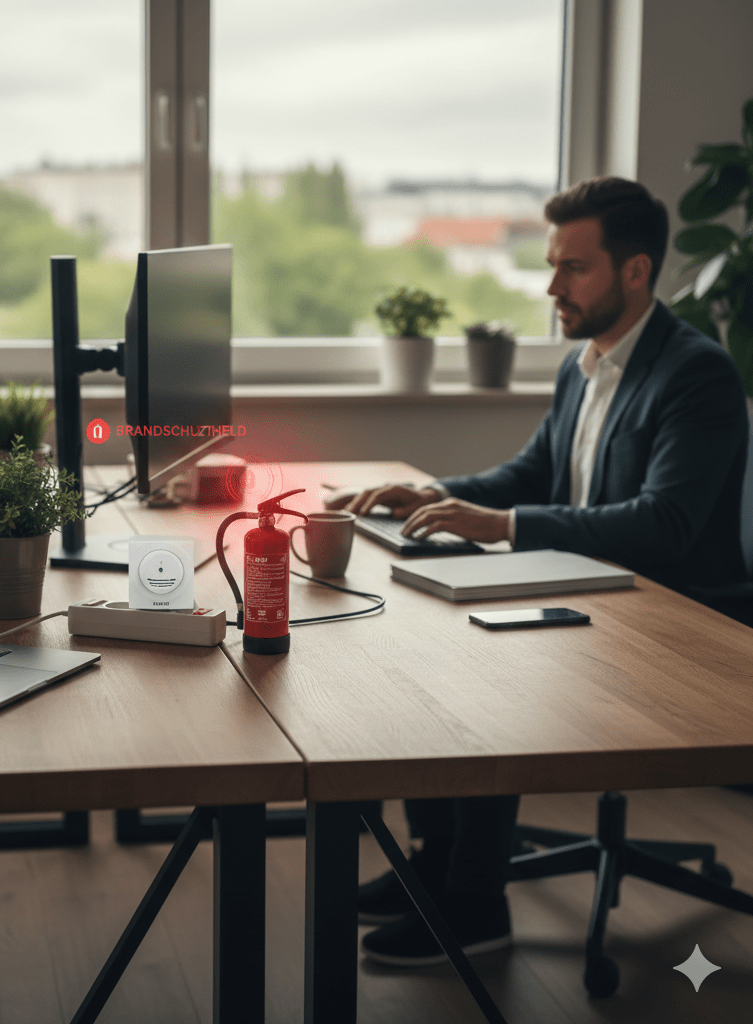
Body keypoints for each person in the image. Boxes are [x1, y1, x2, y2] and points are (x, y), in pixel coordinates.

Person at [329, 176, 751, 968]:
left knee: (490, 670)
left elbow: (665, 525)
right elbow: (532, 472)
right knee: (429, 643)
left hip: (674, 621)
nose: (552, 285)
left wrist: (505, 527)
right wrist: (437, 495)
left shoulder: (696, 374)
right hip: (593, 596)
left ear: (635, 272)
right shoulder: (583, 363)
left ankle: (475, 903)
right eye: (552, 264)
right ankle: (439, 859)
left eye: (573, 268)